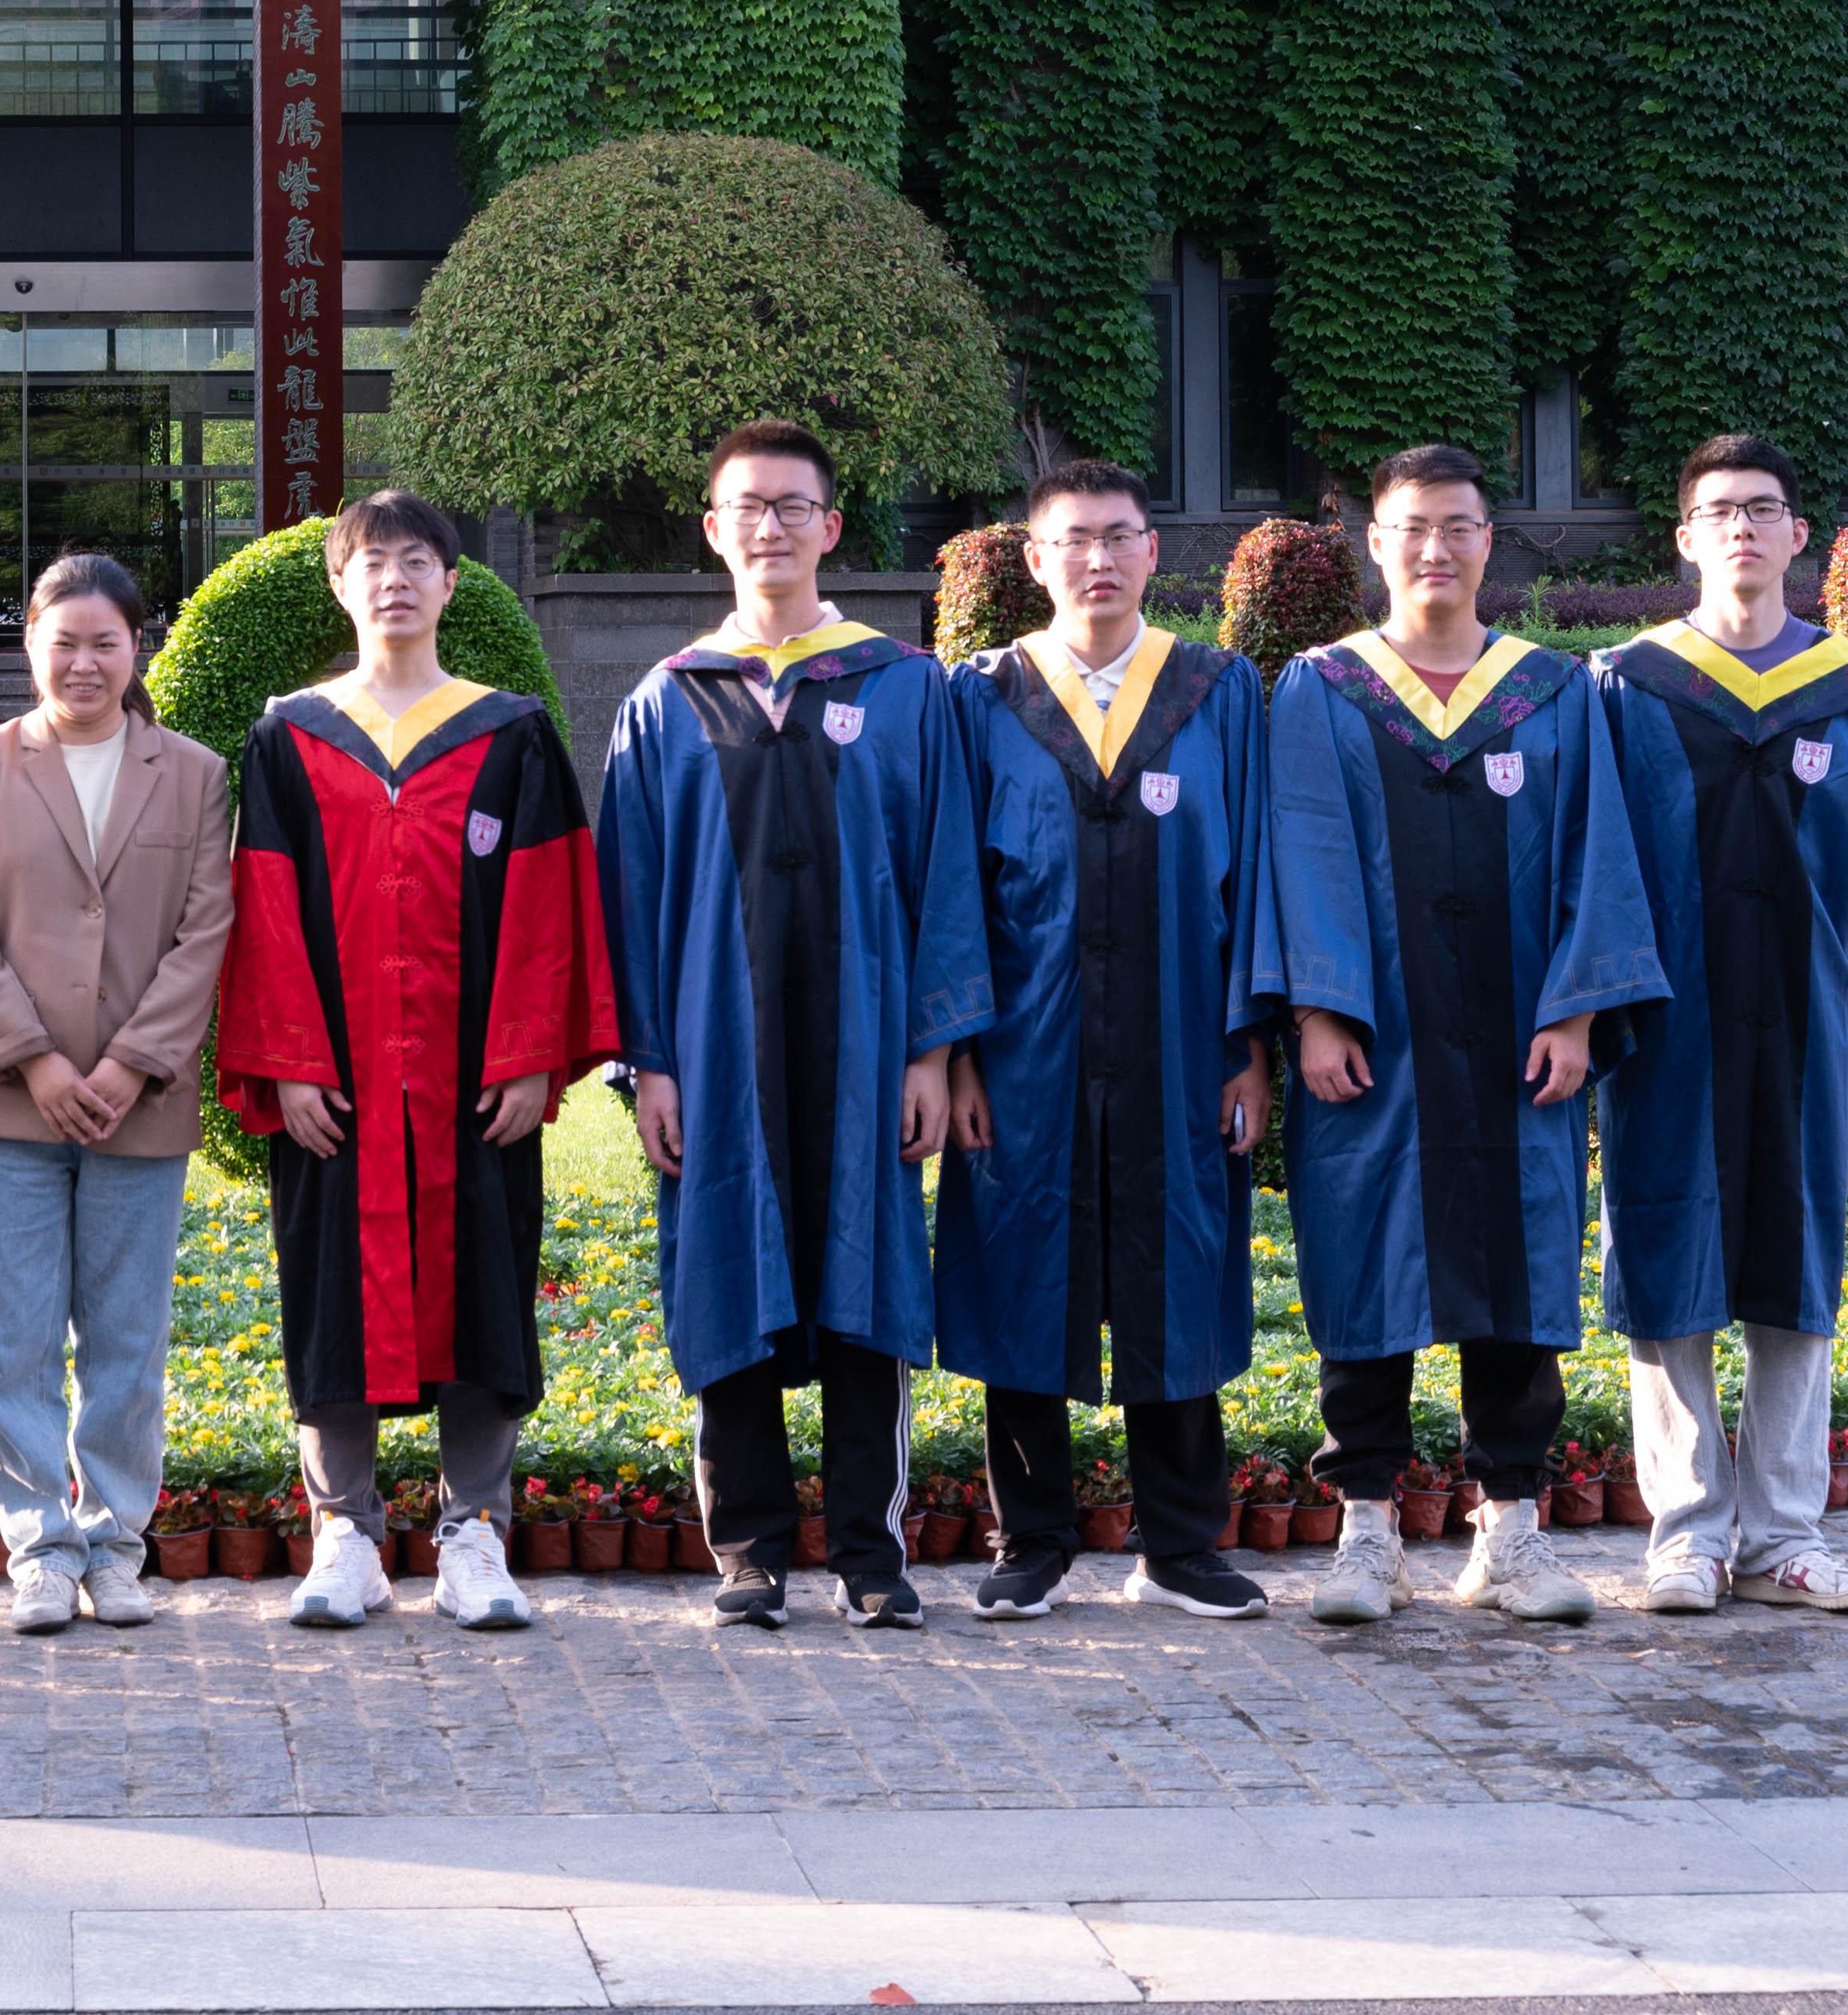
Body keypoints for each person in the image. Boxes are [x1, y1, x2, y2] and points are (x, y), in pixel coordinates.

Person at [1261, 443, 1662, 1628]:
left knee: (1518, 1267)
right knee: (1363, 1258)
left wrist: (1577, 1011)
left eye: (1458, 526)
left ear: (1489, 543)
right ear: (1375, 545)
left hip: (1516, 1036)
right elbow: (1303, 851)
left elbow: (1595, 853)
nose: (1434, 548)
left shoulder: (1553, 694)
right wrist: (1317, 1011)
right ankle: (1367, 1537)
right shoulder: (1322, 689)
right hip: (1374, 1037)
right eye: (1413, 528)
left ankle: (1511, 1536)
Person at [597, 424, 980, 1634]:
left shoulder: (902, 687)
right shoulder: (666, 703)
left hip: (868, 1042)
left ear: (831, 527)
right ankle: (752, 1553)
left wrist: (932, 1050)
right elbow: (629, 900)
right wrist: (649, 1063)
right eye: (749, 508)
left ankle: (872, 1555)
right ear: (714, 530)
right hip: (713, 1048)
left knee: (868, 1275)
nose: (771, 527)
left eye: (794, 507)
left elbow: (944, 875)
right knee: (729, 1270)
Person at [229, 488, 618, 1634]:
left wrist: (532, 1055)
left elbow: (548, 900)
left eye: (416, 562)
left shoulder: (511, 733)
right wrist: (290, 1060)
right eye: (371, 562)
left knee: (484, 1293)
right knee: (328, 1297)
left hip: (472, 1081)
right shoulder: (289, 737)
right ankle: (344, 1534)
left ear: (452, 584)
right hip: (338, 1082)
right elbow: (264, 907)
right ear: (338, 586)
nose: (393, 580)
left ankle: (472, 1533)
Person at [939, 460, 1271, 1625]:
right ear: (1035, 560)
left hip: (1183, 1038)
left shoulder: (1217, 691)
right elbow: (951, 887)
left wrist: (1249, 1047)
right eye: (1074, 539)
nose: (1098, 559)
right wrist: (957, 1054)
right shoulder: (981, 698)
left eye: (1120, 536)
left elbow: (1256, 882)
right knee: (1023, 1271)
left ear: (1152, 552)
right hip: (1024, 1045)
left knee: (1176, 1269)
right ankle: (1030, 1539)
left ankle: (1180, 1545)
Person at [1593, 433, 1848, 1618]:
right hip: (1665, 1018)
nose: (1741, 527)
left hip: (1804, 1020)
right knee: (1665, 1246)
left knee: (1794, 1257)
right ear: (1685, 537)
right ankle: (1684, 1535)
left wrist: (1840, 1006)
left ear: (1797, 535)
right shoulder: (1626, 688)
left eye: (1763, 508)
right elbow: (1597, 868)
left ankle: (1782, 1537)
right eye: (1719, 510)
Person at [0, 552, 234, 1633]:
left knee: (126, 1343)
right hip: (11, 1102)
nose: (84, 663)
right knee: (10, 1339)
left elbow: (205, 929)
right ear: (31, 648)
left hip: (137, 1104)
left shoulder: (192, 773)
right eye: (63, 643)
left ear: (136, 649)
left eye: (106, 642)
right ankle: (40, 1550)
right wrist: (36, 1060)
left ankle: (113, 1546)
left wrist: (128, 1063)